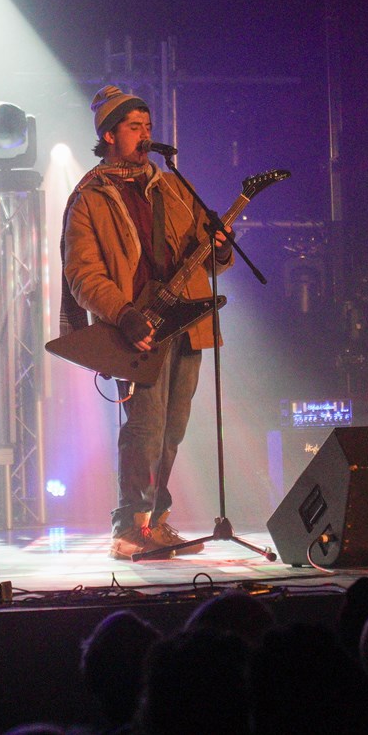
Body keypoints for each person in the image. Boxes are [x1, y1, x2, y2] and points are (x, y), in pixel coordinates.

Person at [60, 85, 231, 560]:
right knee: (145, 429)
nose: (145, 134)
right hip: (137, 328)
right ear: (109, 134)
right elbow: (82, 274)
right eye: (135, 127)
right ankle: (128, 526)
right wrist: (125, 313)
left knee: (173, 429)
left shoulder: (172, 185)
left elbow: (205, 244)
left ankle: (154, 520)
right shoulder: (89, 198)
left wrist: (219, 247)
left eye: (148, 127)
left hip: (187, 321)